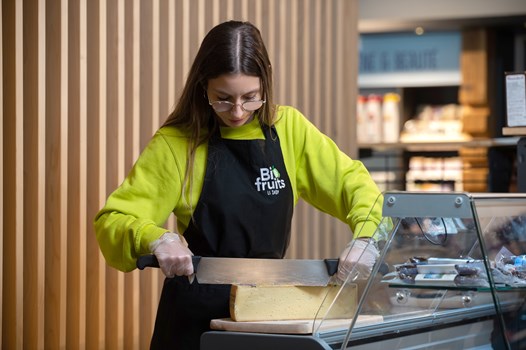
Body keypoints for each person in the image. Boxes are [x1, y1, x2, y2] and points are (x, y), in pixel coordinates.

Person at [94, 20, 383, 350]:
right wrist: (157, 239)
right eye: (223, 98)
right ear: (203, 87)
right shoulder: (177, 144)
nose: (237, 112)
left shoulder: (289, 129)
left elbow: (354, 185)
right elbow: (113, 221)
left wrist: (367, 236)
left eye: (250, 98)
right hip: (194, 322)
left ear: (266, 85)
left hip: (267, 315)